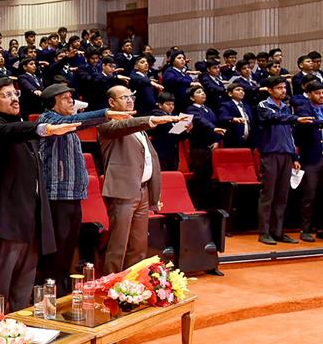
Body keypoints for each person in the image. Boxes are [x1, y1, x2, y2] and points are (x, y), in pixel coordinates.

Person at [0, 78, 79, 310]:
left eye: (15, 94)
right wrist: (41, 128)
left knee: (26, 279)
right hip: (9, 217)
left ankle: (19, 328)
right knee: (0, 282)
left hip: (32, 216)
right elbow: (10, 131)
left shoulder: (21, 126)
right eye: (6, 95)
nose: (14, 98)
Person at [37, 83, 131, 294]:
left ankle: (61, 292)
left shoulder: (68, 124)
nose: (71, 101)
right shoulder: (49, 120)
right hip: (56, 196)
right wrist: (106, 113)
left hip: (73, 195)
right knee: (56, 250)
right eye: (65, 98)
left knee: (69, 249)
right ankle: (50, 293)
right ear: (52, 103)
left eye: (71, 96)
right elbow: (74, 121)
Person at [98, 86, 183, 274]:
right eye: (124, 97)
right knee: (118, 244)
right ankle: (110, 286)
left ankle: (133, 284)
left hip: (142, 190)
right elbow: (125, 126)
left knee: (139, 244)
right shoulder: (108, 124)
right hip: (123, 191)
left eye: (131, 97)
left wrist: (154, 191)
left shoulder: (136, 126)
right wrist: (151, 120)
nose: (130, 100)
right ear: (112, 103)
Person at [256, 76, 314, 245]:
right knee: (268, 195)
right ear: (270, 90)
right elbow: (274, 118)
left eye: (284, 88)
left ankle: (278, 231)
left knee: (282, 195)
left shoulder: (287, 108)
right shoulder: (264, 106)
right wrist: (296, 119)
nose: (283, 91)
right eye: (279, 88)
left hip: (286, 154)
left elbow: (290, 134)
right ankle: (264, 231)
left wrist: (294, 156)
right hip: (270, 154)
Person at [294, 82, 323, 242]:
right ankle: (305, 229)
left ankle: (322, 228)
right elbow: (306, 126)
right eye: (317, 93)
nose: (321, 96)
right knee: (309, 195)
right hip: (311, 158)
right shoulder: (303, 109)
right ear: (309, 94)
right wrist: (322, 124)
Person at [185, 86, 225, 207]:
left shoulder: (209, 109)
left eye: (203, 91)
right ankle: (197, 205)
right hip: (198, 147)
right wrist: (213, 128)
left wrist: (217, 140)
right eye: (198, 92)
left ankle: (207, 205)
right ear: (192, 97)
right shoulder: (191, 109)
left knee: (208, 176)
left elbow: (216, 125)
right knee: (199, 177)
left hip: (210, 147)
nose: (203, 94)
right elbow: (200, 121)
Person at [218, 82, 254, 148]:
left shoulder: (247, 106)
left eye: (243, 90)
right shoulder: (226, 105)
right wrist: (233, 119)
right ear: (230, 93)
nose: (241, 92)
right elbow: (222, 117)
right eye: (238, 90)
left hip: (248, 141)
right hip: (233, 141)